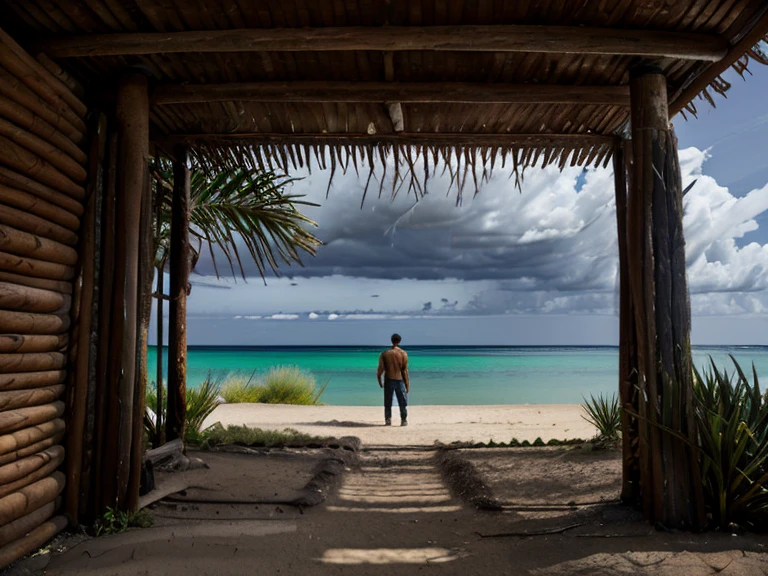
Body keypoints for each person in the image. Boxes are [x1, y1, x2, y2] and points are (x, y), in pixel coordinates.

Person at [377, 333, 409, 426]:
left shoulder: (385, 354)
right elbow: (405, 371)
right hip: (400, 379)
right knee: (402, 401)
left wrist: (379, 379)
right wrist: (407, 384)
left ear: (391, 341)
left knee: (388, 401)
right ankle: (403, 420)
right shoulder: (403, 354)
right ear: (399, 341)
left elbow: (380, 369)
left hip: (389, 379)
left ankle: (388, 420)